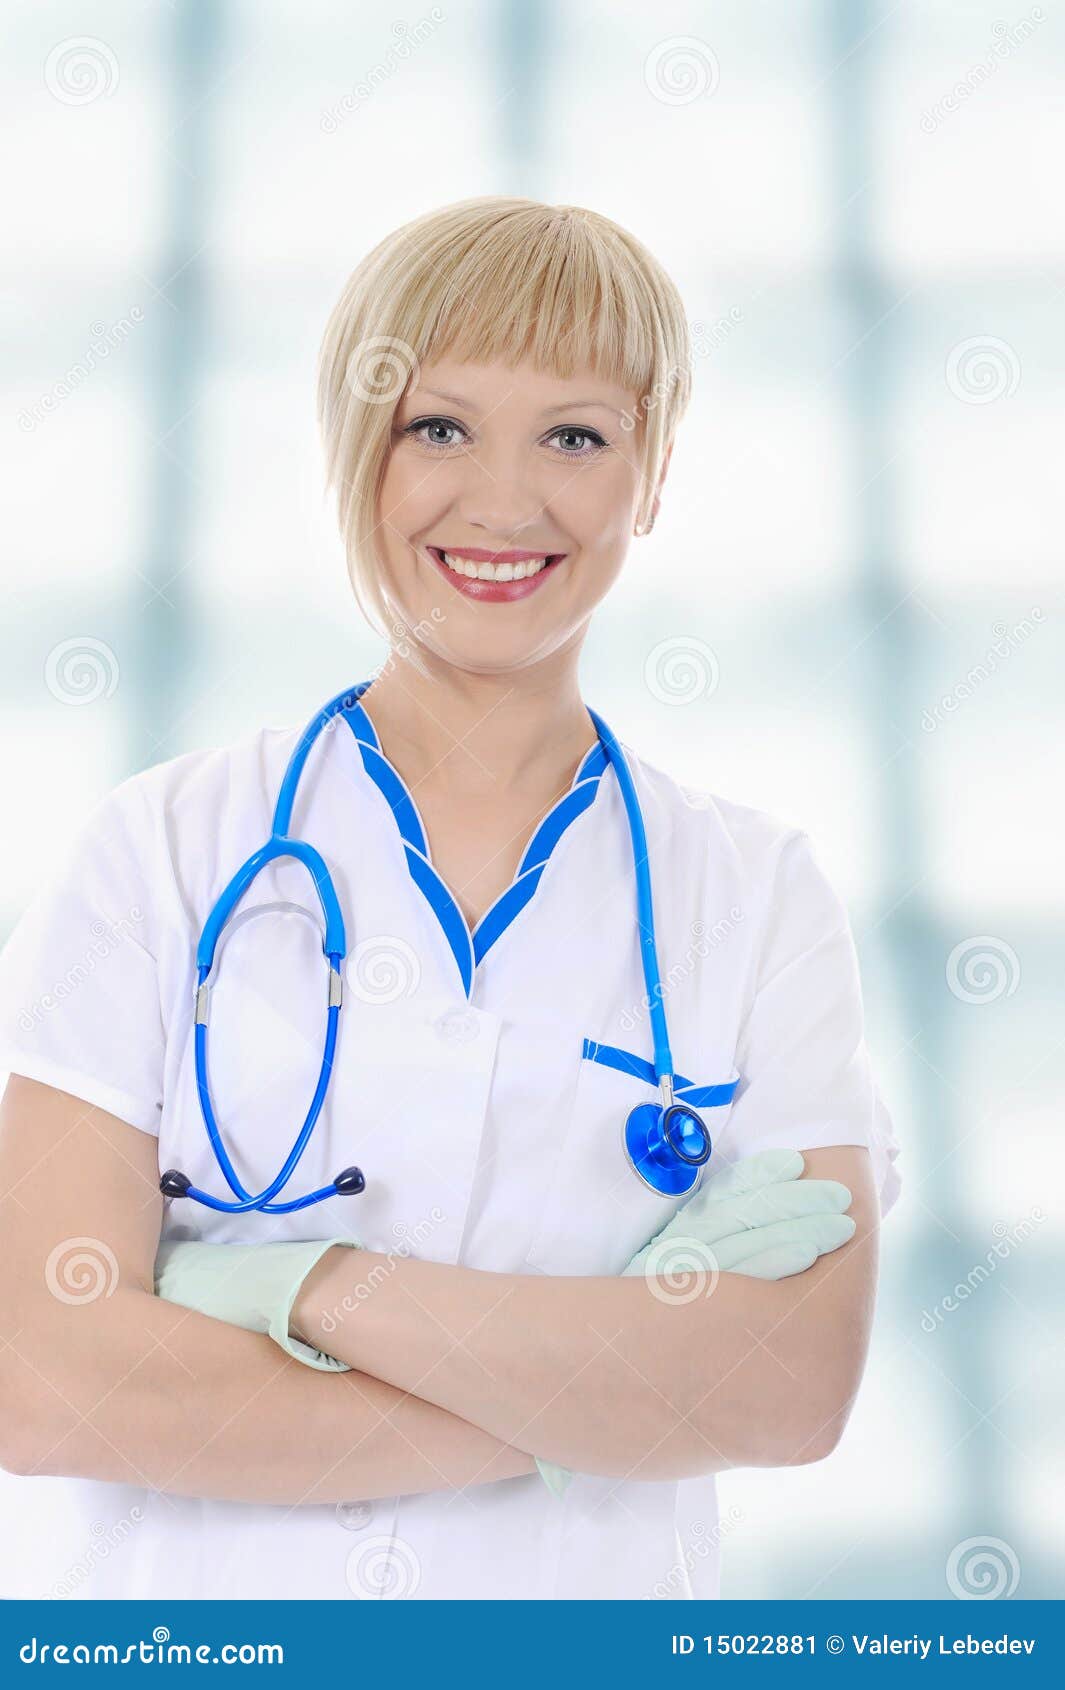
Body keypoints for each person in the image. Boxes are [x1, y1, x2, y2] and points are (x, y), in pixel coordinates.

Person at [0, 196, 901, 1601]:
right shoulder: (158, 853)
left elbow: (786, 1391)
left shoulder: (756, 892)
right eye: (438, 426)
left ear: (651, 475)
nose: (502, 500)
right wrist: (607, 1400)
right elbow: (47, 1377)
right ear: (351, 454)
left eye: (577, 436)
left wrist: (297, 1290)